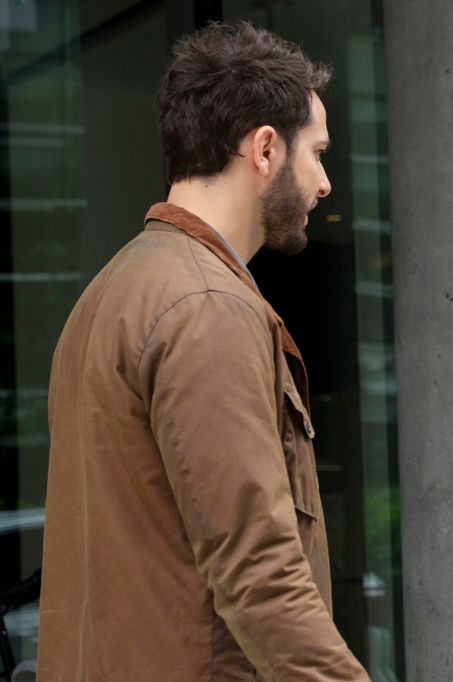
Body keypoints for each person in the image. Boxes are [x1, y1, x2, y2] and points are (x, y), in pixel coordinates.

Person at [37, 22, 370, 682]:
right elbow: (260, 575)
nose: (325, 184)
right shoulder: (207, 307)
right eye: (319, 153)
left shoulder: (112, 292)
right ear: (266, 148)